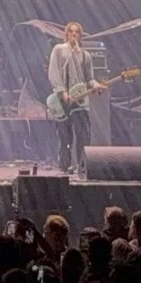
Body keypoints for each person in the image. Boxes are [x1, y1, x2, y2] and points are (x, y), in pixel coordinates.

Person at [47, 20, 97, 176]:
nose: (74, 34)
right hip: (63, 99)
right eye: (71, 31)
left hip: (81, 101)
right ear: (66, 34)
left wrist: (96, 86)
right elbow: (53, 72)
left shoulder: (85, 55)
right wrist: (63, 92)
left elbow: (90, 78)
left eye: (77, 32)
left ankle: (82, 165)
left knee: (84, 134)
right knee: (65, 135)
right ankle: (65, 166)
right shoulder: (59, 50)